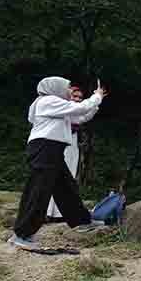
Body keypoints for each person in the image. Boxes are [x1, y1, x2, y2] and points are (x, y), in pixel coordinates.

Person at [8, 77, 108, 250]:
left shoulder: (54, 105)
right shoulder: (48, 100)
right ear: (55, 88)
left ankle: (82, 221)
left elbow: (80, 117)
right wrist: (96, 96)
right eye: (68, 87)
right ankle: (22, 234)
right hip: (45, 148)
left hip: (52, 149)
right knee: (39, 191)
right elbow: (81, 107)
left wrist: (96, 102)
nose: (70, 91)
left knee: (65, 187)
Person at [46, 85, 98, 221]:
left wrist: (96, 104)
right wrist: (96, 99)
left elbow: (83, 117)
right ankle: (47, 212)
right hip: (57, 144)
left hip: (71, 144)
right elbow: (82, 113)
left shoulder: (74, 113)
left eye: (80, 97)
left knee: (68, 177)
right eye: (74, 96)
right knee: (52, 177)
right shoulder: (60, 108)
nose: (77, 99)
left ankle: (59, 213)